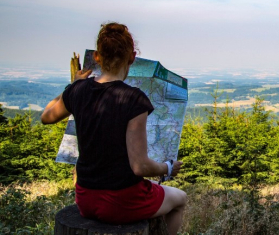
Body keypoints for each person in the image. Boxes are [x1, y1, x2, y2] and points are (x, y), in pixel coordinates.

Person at [41, 22, 186, 235]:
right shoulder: (134, 99)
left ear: (97, 56)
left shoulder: (78, 90)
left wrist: (72, 85)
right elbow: (139, 167)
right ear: (132, 57)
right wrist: (168, 167)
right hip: (122, 201)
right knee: (180, 199)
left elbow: (46, 116)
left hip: (85, 199)